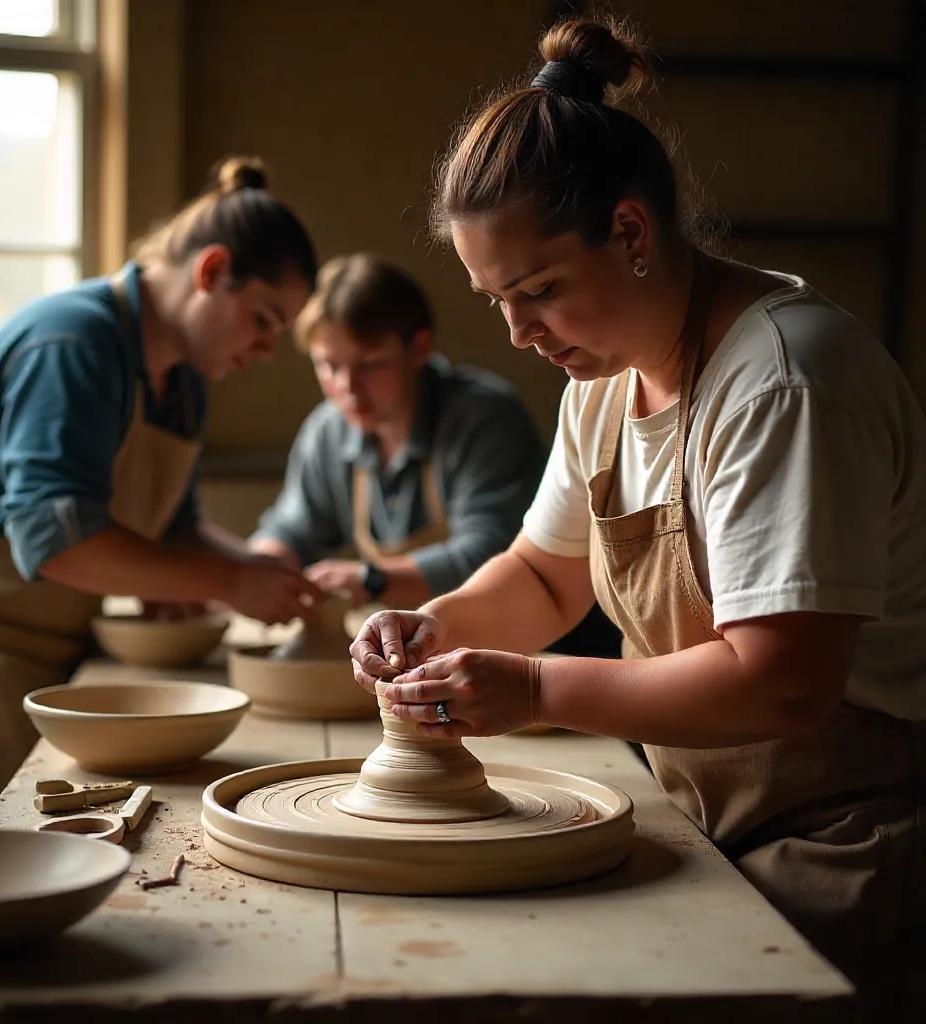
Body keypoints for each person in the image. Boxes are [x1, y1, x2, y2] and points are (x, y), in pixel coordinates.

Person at [350, 16, 926, 995]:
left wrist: (532, 691)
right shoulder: (605, 386)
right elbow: (542, 572)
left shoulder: (783, 381)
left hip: (846, 840)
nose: (520, 332)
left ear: (629, 231)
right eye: (497, 299)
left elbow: (782, 684)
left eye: (537, 289)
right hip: (709, 816)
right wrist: (431, 626)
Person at [0, 155, 324, 829]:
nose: (266, 349)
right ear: (212, 272)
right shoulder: (72, 344)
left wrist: (255, 567)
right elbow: (56, 541)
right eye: (264, 320)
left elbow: (175, 526)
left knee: (41, 838)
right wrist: (225, 580)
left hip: (57, 631)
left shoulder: (183, 379)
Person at [248, 252, 552, 611]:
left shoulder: (484, 419)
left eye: (370, 365)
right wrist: (257, 568)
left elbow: (490, 554)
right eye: (329, 366)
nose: (348, 389)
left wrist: (372, 580)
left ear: (419, 348)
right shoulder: (328, 431)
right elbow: (292, 529)